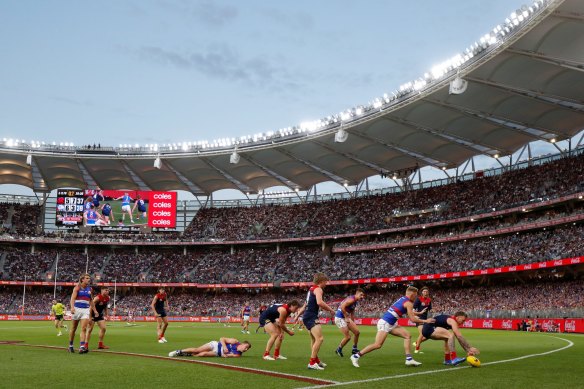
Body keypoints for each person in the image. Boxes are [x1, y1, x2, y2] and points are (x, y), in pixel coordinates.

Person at [350, 286, 434, 368]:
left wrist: (418, 313)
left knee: (407, 335)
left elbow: (407, 311)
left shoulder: (403, 299)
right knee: (377, 345)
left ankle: (409, 359)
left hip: (391, 323)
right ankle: (356, 356)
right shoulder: (409, 303)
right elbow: (412, 319)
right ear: (412, 294)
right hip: (385, 323)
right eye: (415, 295)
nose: (416, 297)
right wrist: (425, 321)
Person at [297, 273, 336, 370]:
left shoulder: (311, 289)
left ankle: (316, 361)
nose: (326, 284)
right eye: (326, 282)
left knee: (314, 340)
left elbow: (305, 304)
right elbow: (319, 302)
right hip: (311, 316)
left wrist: (298, 315)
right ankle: (312, 362)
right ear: (321, 281)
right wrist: (331, 310)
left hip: (307, 315)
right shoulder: (318, 289)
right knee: (320, 339)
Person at [68, 274, 98, 353]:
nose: (89, 279)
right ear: (82, 280)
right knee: (73, 328)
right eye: (87, 278)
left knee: (84, 328)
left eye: (89, 278)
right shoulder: (77, 287)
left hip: (85, 310)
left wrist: (95, 311)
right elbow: (73, 298)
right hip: (77, 309)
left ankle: (82, 347)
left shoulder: (90, 289)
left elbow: (91, 300)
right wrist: (72, 307)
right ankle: (70, 345)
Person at [335, 288, 365, 357]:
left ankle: (354, 349)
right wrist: (346, 317)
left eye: (363, 296)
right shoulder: (352, 299)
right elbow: (342, 306)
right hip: (340, 318)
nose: (362, 297)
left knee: (357, 332)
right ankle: (338, 349)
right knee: (348, 337)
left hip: (345, 318)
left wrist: (353, 322)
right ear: (357, 293)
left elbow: (352, 312)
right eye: (361, 295)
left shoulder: (355, 301)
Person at [169, 337, 251, 358]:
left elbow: (227, 356)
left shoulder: (238, 354)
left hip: (217, 353)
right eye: (246, 347)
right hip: (215, 345)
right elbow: (222, 338)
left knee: (202, 354)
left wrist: (225, 355)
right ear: (243, 344)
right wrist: (225, 346)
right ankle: (178, 351)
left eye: (247, 349)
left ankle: (189, 355)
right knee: (197, 350)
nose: (246, 349)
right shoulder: (235, 341)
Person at [413, 286, 432, 354]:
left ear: (428, 293)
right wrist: (416, 315)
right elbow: (413, 309)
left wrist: (433, 310)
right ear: (422, 292)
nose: (425, 293)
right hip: (419, 318)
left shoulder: (429, 300)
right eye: (424, 291)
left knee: (428, 335)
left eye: (426, 291)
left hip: (425, 319)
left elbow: (430, 309)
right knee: (422, 333)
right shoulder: (418, 299)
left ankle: (416, 343)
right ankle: (417, 348)